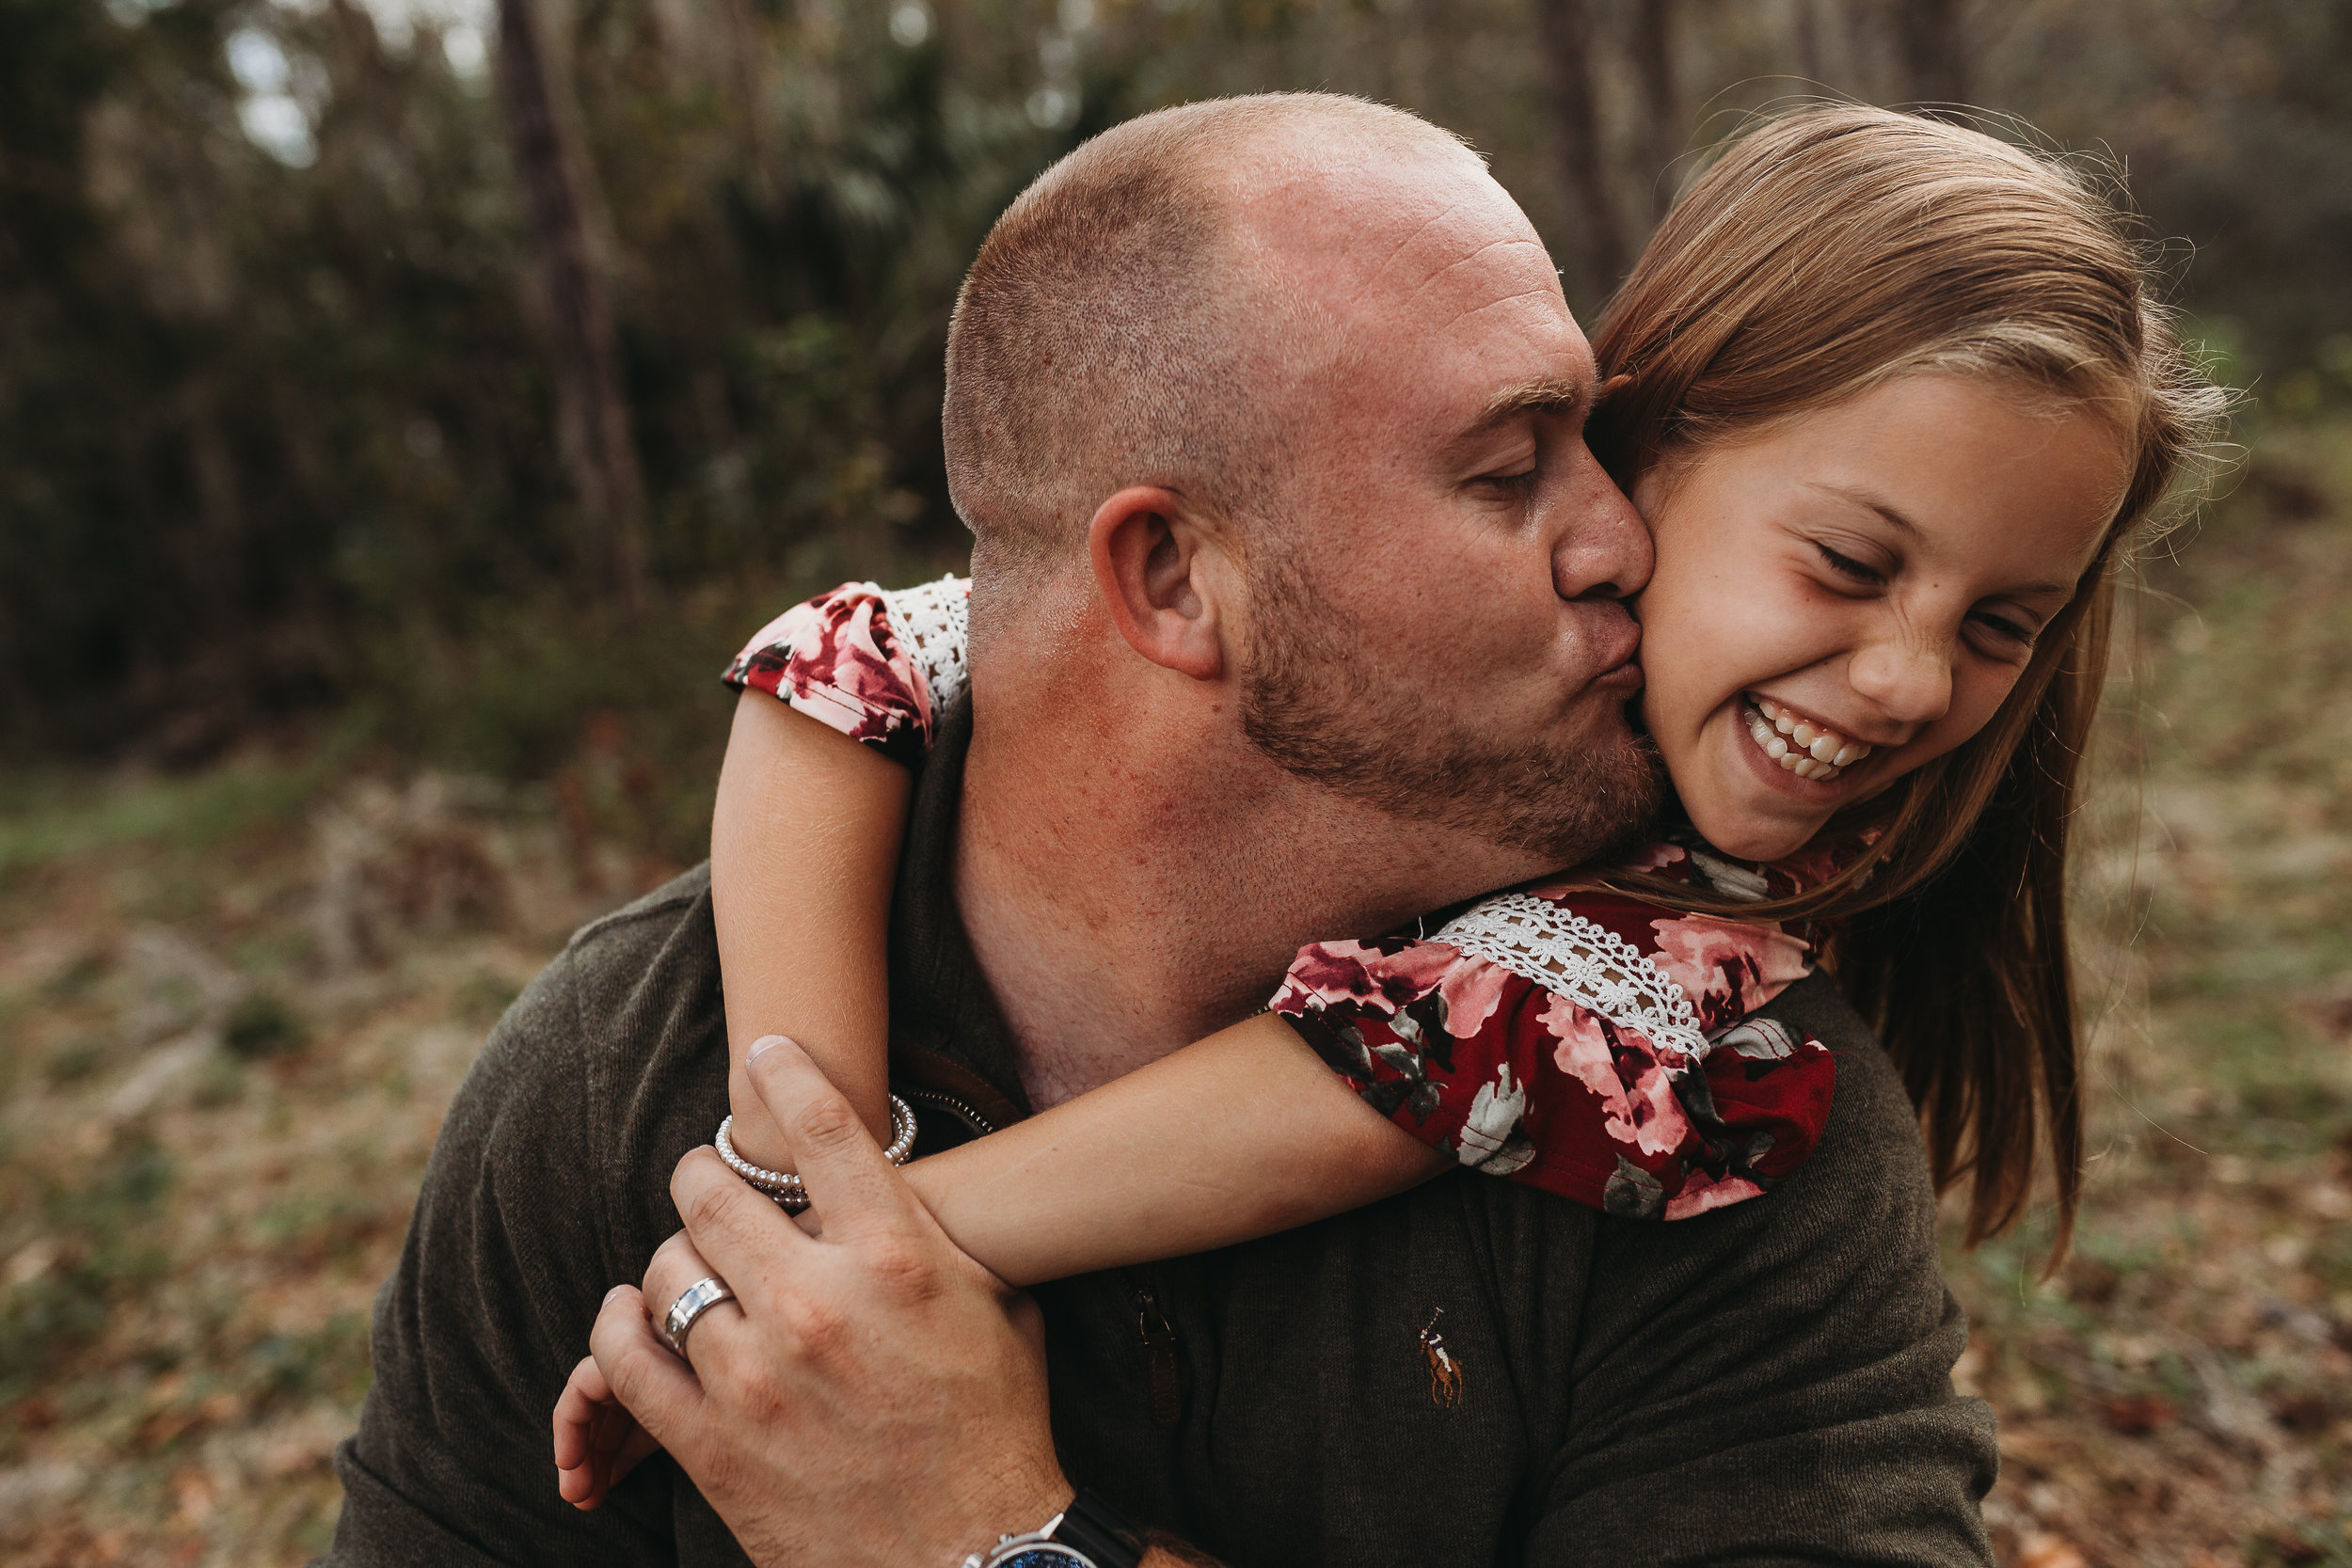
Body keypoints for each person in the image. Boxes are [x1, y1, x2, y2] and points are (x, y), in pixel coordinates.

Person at [327, 97, 2217, 1568]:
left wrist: (976, 1515)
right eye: (1513, 465)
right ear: (1166, 577)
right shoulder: (608, 1073)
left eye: (1992, 624)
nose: (1604, 539)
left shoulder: (1706, 1091)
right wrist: (795, 1164)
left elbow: (1377, 1076)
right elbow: (837, 671)